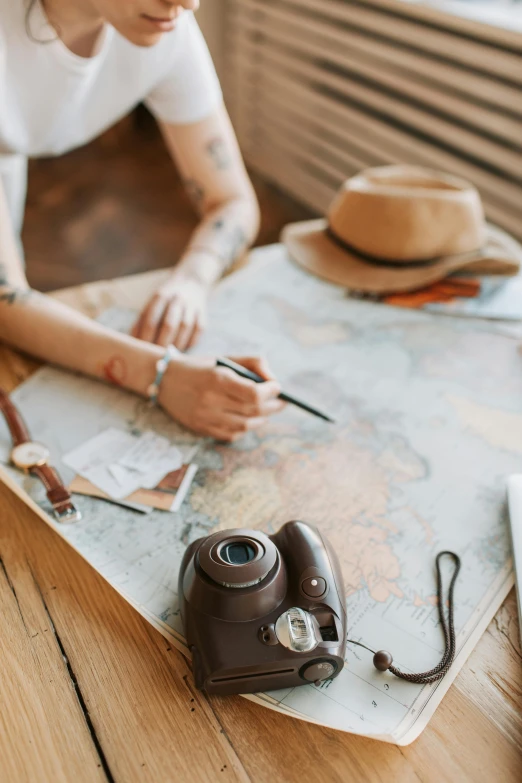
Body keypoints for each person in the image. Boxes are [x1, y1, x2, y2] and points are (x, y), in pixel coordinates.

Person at [0, 0, 285, 441]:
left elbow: (232, 200)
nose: (188, 2)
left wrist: (192, 278)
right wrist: (163, 376)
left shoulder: (168, 30)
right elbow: (5, 301)